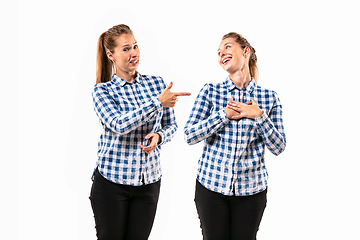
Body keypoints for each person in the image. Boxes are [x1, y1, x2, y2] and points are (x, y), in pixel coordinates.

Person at [90, 24, 190, 240]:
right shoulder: (102, 91)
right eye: (125, 49)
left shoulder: (157, 84)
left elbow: (171, 126)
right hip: (112, 183)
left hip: (148, 182)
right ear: (111, 55)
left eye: (135, 46)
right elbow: (118, 124)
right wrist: (157, 103)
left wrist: (159, 136)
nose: (133, 53)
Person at [184, 32, 286, 240]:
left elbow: (279, 147)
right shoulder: (211, 91)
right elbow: (189, 135)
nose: (222, 54)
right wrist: (223, 115)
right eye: (219, 52)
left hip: (252, 192)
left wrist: (259, 116)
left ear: (245, 51)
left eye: (228, 47)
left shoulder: (269, 98)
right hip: (211, 188)